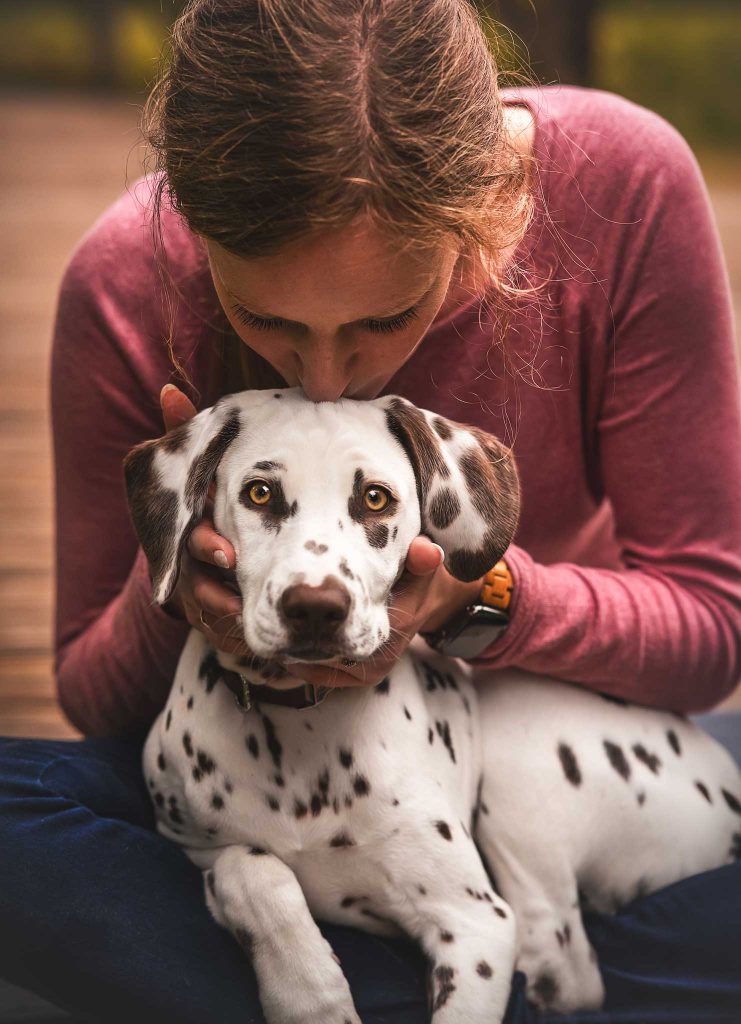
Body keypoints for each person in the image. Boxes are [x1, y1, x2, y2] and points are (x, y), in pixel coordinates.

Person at [1, 1, 739, 1022]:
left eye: (389, 318)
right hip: (242, 772)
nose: (327, 378)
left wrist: (478, 602)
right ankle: (494, 973)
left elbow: (710, 628)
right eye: (264, 319)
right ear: (195, 226)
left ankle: (395, 969)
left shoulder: (625, 184)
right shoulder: (126, 282)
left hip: (565, 752)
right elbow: (95, 695)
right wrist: (175, 556)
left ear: (483, 207)